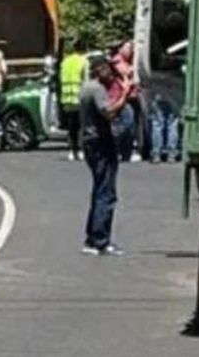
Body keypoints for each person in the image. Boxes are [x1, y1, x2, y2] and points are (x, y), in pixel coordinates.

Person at [79, 54, 133, 255]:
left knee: (99, 189)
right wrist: (125, 95)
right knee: (106, 193)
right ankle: (101, 240)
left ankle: (92, 237)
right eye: (106, 68)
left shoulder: (86, 87)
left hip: (89, 142)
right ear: (98, 69)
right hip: (100, 143)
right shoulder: (97, 90)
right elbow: (109, 112)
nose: (109, 72)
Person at [111, 41, 141, 162]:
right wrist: (134, 67)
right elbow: (126, 72)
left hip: (130, 97)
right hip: (120, 98)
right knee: (123, 126)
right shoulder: (117, 61)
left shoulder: (128, 61)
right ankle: (117, 151)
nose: (131, 50)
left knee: (129, 127)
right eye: (128, 47)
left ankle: (125, 153)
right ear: (120, 49)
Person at [60, 51, 89, 162]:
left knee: (71, 128)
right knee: (81, 126)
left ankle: (72, 151)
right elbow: (85, 80)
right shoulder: (83, 61)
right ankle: (81, 150)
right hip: (79, 97)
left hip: (67, 98)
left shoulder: (65, 62)